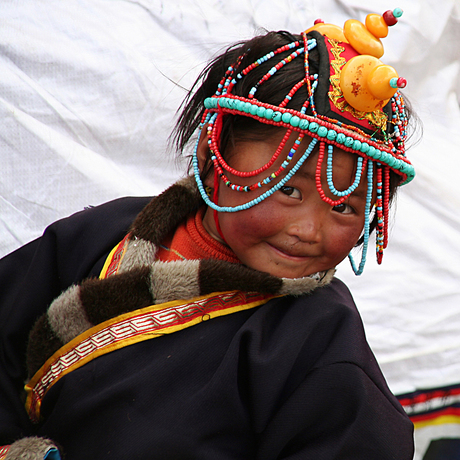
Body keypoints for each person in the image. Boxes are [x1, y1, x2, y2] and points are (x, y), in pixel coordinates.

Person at [0, 9, 416, 460]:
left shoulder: (320, 339)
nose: (308, 231)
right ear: (211, 154)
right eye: (289, 189)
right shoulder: (100, 236)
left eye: (343, 204)